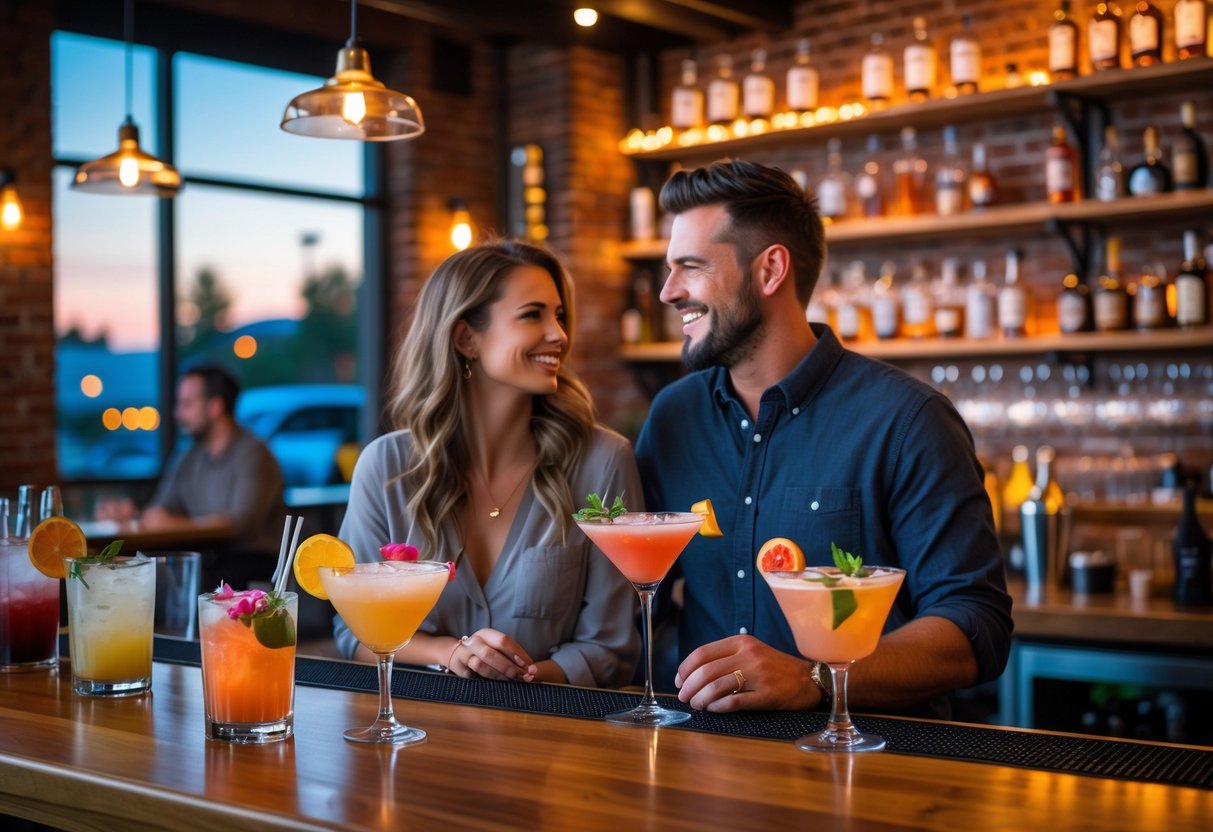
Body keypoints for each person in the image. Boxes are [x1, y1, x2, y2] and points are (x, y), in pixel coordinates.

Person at [634, 159, 1012, 717]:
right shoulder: (673, 417)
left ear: (769, 271)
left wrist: (815, 678)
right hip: (708, 767)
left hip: (873, 767)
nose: (669, 292)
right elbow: (638, 599)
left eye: (690, 267)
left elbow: (975, 626)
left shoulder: (908, 420)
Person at [336, 240, 641, 689]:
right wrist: (451, 654)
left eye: (559, 315)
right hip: (416, 738)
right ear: (466, 339)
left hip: (554, 739)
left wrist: (521, 681)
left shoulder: (603, 462)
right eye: (532, 314)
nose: (559, 334)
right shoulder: (386, 468)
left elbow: (611, 649)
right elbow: (356, 632)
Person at [98, 363, 287, 589]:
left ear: (215, 406)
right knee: (125, 567)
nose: (178, 414)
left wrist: (170, 524)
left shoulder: (253, 453)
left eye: (186, 404)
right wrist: (133, 515)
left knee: (188, 580)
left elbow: (240, 524)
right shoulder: (188, 458)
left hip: (252, 560)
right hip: (205, 555)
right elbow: (162, 510)